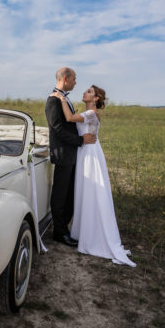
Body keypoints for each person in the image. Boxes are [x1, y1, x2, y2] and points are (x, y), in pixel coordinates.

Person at [51, 85, 136, 266]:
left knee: (91, 190)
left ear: (96, 98)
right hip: (84, 151)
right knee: (83, 191)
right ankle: (83, 229)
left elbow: (68, 118)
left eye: (89, 92)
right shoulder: (87, 112)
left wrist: (61, 98)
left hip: (88, 153)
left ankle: (92, 233)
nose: (84, 92)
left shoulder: (91, 113)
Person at [45, 67, 96, 247]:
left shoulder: (64, 98)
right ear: (66, 79)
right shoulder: (53, 100)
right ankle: (59, 232)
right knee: (60, 194)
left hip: (71, 152)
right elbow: (57, 129)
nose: (76, 82)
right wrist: (80, 140)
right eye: (74, 79)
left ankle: (65, 227)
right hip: (63, 153)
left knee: (69, 192)